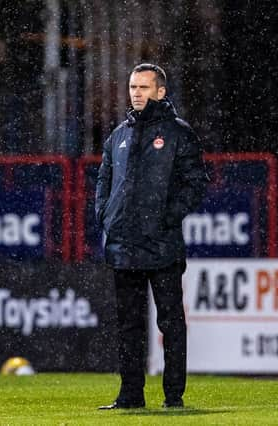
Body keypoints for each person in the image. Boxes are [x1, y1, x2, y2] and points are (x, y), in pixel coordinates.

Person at [95, 63, 208, 409]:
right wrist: (105, 215)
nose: (137, 93)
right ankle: (130, 395)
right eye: (133, 87)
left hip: (162, 244)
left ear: (161, 92)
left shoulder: (178, 134)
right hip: (123, 245)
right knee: (129, 325)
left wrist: (166, 217)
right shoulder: (118, 136)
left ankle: (174, 396)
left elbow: (195, 183)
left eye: (144, 88)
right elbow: (103, 180)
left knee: (170, 322)